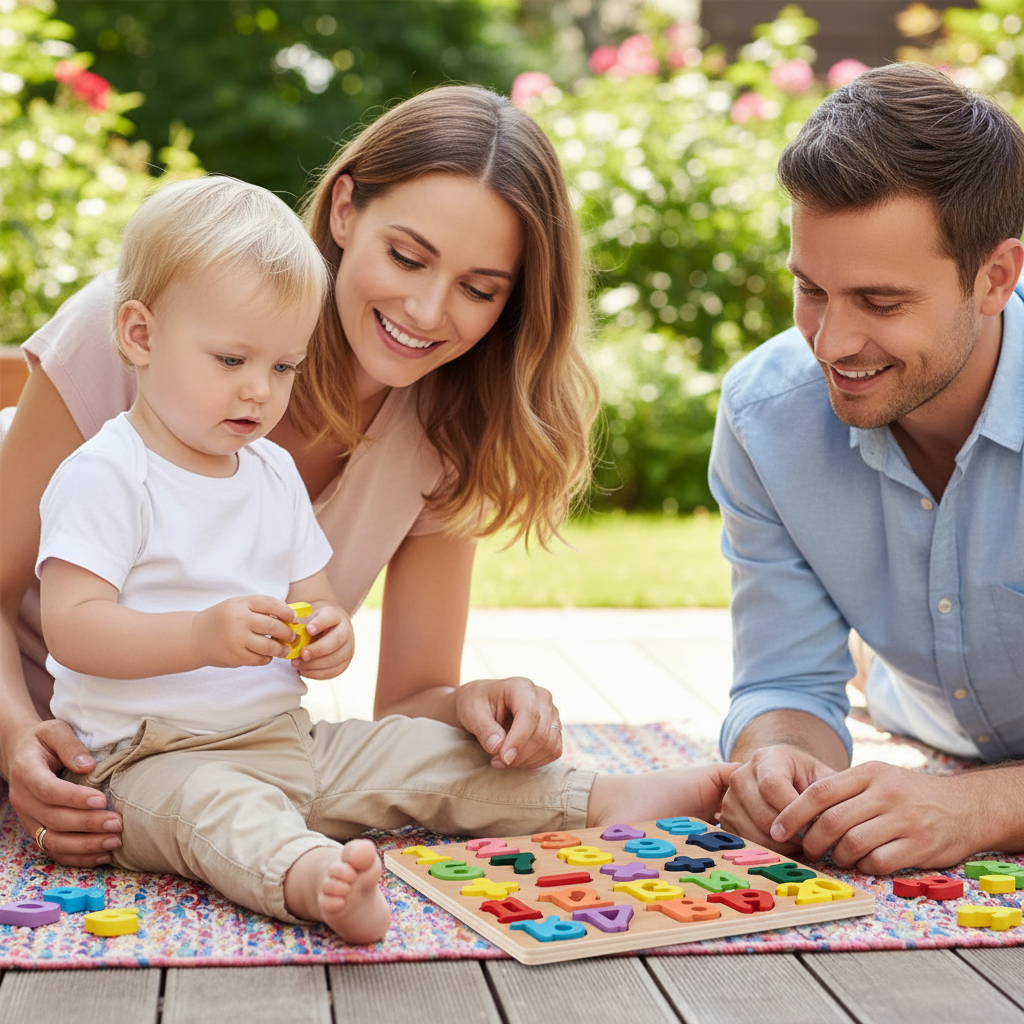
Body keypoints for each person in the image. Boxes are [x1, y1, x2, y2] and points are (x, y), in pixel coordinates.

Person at [37, 175, 738, 943]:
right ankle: (312, 879)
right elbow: (73, 627)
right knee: (220, 814)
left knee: (418, 753)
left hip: (281, 736)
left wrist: (325, 636)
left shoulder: (266, 472)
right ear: (139, 336)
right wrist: (199, 637)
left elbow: (315, 600)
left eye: (282, 368)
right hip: (144, 761)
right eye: (232, 360)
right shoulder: (109, 472)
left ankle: (594, 797)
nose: (258, 393)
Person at [710, 62, 1024, 876]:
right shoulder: (764, 418)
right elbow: (783, 679)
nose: (830, 343)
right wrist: (778, 761)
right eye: (811, 289)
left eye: (881, 303)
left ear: (996, 278)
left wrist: (979, 806)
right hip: (919, 713)